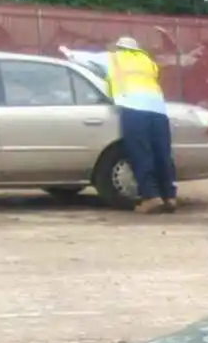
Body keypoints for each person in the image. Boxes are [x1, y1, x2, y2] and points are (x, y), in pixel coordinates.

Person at [61, 36, 178, 213]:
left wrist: (65, 51)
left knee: (141, 153)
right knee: (161, 154)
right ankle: (169, 197)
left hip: (134, 108)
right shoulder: (148, 62)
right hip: (159, 110)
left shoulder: (114, 58)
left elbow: (82, 58)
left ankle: (151, 197)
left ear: (119, 48)